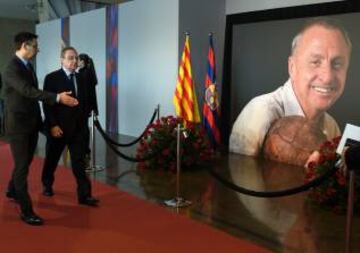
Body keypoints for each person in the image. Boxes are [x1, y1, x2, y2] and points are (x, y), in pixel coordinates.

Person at [229, 18, 351, 157]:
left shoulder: (332, 126)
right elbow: (238, 177)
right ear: (292, 67)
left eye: (337, 64)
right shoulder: (260, 113)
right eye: (315, 62)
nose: (328, 77)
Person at [2, 32, 78, 226]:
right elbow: (28, 91)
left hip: (32, 123)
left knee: (26, 161)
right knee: (21, 168)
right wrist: (58, 97)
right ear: (24, 46)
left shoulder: (28, 66)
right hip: (18, 127)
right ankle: (27, 211)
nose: (38, 49)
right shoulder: (11, 68)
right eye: (35, 46)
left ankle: (12, 190)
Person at [41, 46, 99, 207]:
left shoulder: (82, 78)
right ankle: (47, 184)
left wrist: (85, 126)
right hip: (58, 129)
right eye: (70, 58)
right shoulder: (51, 78)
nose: (74, 61)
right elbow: (47, 104)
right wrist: (53, 125)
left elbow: (85, 103)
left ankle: (85, 195)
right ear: (62, 60)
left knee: (79, 162)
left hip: (78, 130)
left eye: (75, 58)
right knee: (51, 160)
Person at [78, 53, 99, 166]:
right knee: (83, 128)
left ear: (84, 62)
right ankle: (85, 150)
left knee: (83, 129)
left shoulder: (84, 74)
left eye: (79, 60)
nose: (77, 62)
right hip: (85, 106)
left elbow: (85, 93)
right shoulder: (85, 72)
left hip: (83, 106)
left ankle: (85, 150)